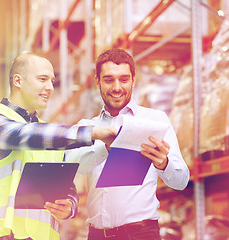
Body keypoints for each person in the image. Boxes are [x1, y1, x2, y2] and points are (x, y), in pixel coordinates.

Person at [0, 52, 117, 240]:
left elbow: (64, 182)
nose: (49, 87)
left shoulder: (45, 132)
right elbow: (22, 135)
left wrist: (70, 205)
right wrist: (92, 132)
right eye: (42, 79)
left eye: (52, 81)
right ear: (18, 81)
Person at [65, 48, 190, 240]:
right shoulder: (88, 127)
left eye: (123, 79)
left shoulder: (155, 120)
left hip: (141, 234)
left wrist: (164, 164)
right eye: (108, 80)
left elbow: (181, 181)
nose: (116, 87)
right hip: (97, 235)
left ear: (133, 80)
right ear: (97, 81)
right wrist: (106, 147)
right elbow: (71, 165)